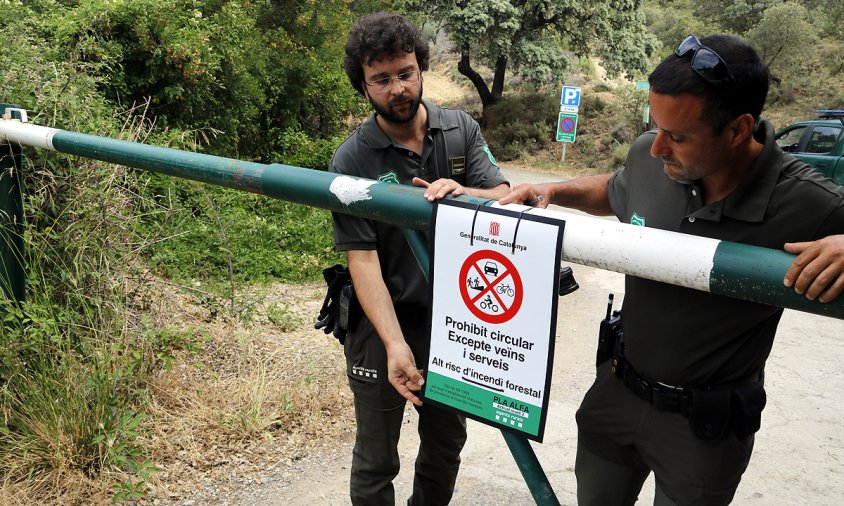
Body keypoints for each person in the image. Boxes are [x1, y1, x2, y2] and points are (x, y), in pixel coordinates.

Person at [501, 35, 844, 504]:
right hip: (617, 392)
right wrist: (553, 192)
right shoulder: (651, 156)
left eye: (678, 136)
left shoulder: (807, 201)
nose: (657, 147)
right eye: (655, 126)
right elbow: (618, 187)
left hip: (705, 428)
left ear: (739, 130)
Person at [329, 12, 509, 506]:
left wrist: (466, 194)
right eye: (381, 79)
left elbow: (504, 195)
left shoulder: (460, 130)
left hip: (456, 321)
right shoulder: (352, 160)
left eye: (406, 73)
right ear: (363, 87)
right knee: (376, 456)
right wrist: (394, 344)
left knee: (446, 444)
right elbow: (362, 263)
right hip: (379, 322)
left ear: (421, 68)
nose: (398, 89)